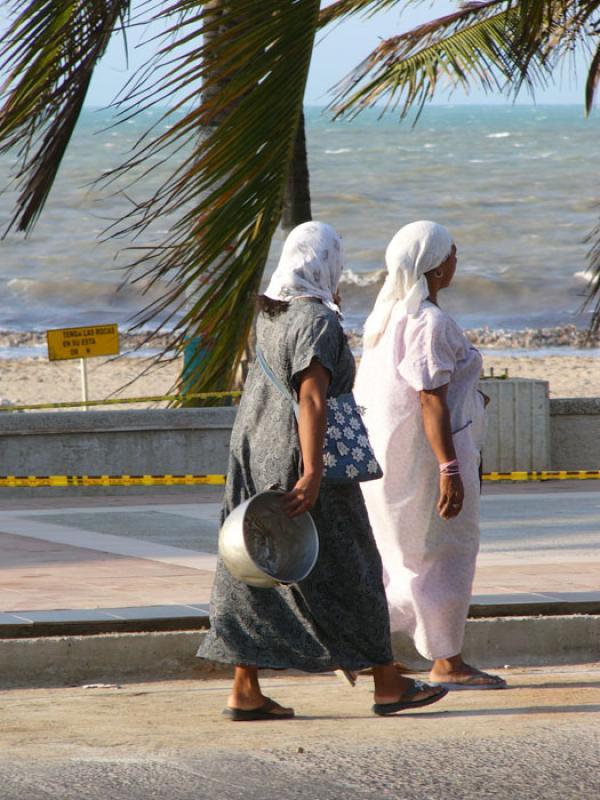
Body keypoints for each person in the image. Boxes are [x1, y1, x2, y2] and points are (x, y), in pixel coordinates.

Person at [197, 221, 448, 718]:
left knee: (253, 564)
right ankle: (387, 681)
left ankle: (245, 688)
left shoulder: (270, 314)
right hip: (307, 461)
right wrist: (312, 472)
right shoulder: (318, 322)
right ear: (325, 264)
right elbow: (312, 398)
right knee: (353, 566)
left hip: (252, 450)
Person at [354, 220, 506, 690]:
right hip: (428, 459)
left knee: (397, 553)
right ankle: (447, 660)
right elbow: (431, 397)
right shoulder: (429, 322)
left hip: (390, 461)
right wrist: (450, 468)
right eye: (452, 253)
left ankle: (370, 651)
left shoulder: (386, 320)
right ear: (436, 268)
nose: (457, 259)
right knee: (447, 551)